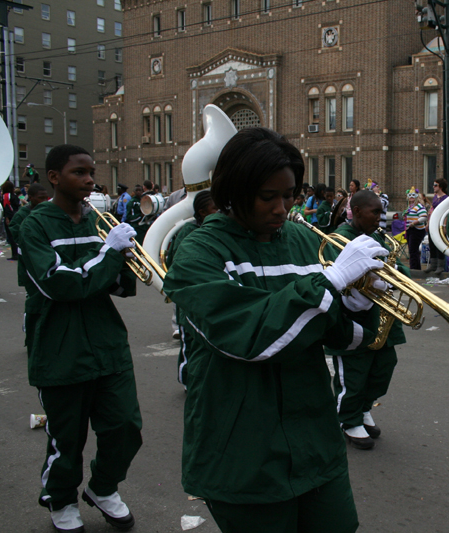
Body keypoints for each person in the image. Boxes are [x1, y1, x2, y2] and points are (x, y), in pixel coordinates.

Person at [163, 127, 385, 533]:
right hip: (242, 451)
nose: (283, 208)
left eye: (290, 195)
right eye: (269, 197)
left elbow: (345, 340)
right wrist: (330, 283)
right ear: (234, 190)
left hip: (315, 442)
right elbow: (250, 337)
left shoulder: (303, 240)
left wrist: (358, 302)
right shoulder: (197, 252)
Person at [20, 144, 142, 532]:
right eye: (80, 172)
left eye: (91, 172)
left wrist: (126, 259)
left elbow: (118, 288)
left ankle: (103, 489)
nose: (90, 180)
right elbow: (61, 285)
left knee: (125, 427)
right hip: (60, 347)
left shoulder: (96, 222)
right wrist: (109, 254)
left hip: (107, 344)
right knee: (66, 439)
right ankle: (60, 500)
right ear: (54, 177)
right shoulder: (33, 225)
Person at [325, 190, 406, 450]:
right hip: (353, 318)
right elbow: (334, 274)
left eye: (382, 213)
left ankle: (362, 408)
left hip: (381, 318)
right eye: (375, 212)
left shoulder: (376, 237)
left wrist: (395, 273)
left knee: (383, 367)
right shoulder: (339, 239)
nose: (380, 219)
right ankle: (347, 419)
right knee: (354, 374)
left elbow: (398, 269)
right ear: (357, 211)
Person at [166, 190, 218, 386]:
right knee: (189, 343)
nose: (220, 212)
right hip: (189, 298)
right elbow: (175, 264)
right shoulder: (188, 232)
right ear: (203, 212)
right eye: (216, 209)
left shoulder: (217, 230)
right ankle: (188, 379)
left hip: (207, 297)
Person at [9, 182, 48, 354]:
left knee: (45, 302)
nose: (43, 201)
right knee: (33, 304)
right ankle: (31, 340)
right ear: (30, 198)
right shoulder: (23, 214)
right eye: (40, 198)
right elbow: (15, 232)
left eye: (45, 198)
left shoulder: (46, 212)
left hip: (43, 263)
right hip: (29, 266)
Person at [425, 178, 449, 274]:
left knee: (439, 244)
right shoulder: (435, 197)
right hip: (433, 223)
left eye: (436, 185)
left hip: (440, 223)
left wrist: (444, 225)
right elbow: (432, 210)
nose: (433, 187)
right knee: (432, 244)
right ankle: (433, 265)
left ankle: (440, 266)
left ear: (441, 187)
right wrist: (428, 223)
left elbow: (447, 212)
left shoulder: (446, 198)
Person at [403, 186, 428, 271]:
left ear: (417, 196)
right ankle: (415, 267)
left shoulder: (419, 206)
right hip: (410, 230)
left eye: (413, 195)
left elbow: (424, 217)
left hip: (417, 230)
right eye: (409, 195)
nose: (411, 197)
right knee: (412, 250)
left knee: (413, 250)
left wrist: (414, 223)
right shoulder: (410, 207)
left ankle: (414, 268)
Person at [1, 179, 21, 260]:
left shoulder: (6, 196)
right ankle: (18, 253)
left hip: (10, 216)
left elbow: (7, 207)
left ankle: (15, 254)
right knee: (16, 235)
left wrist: (7, 218)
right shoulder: (14, 195)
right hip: (16, 215)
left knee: (11, 235)